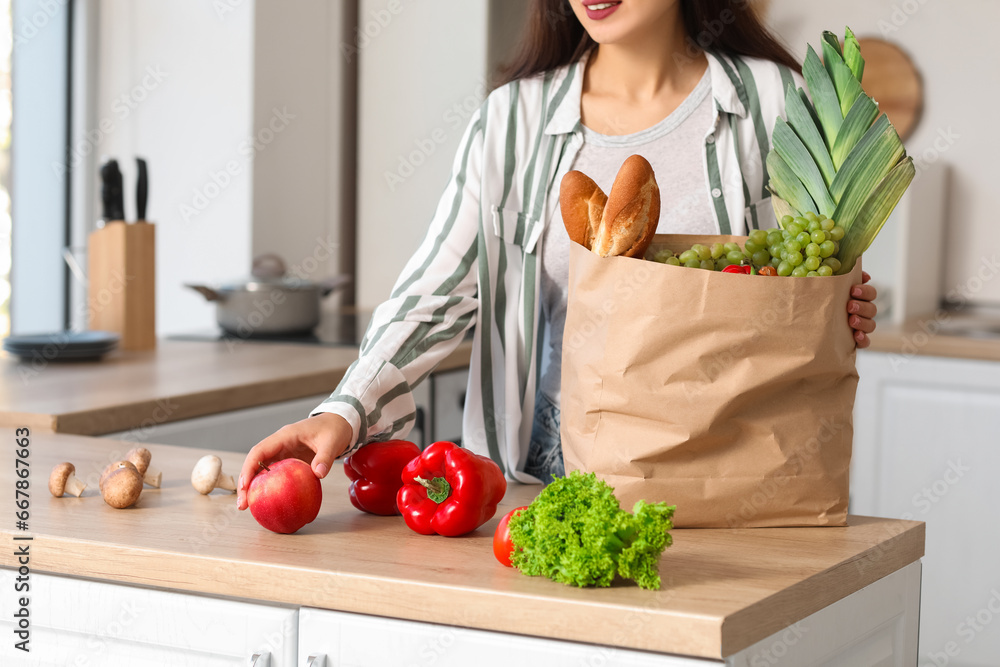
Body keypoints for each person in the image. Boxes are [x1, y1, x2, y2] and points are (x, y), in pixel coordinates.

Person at [236, 0, 878, 509]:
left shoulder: (773, 101)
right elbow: (435, 291)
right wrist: (344, 410)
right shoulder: (512, 120)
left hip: (735, 467)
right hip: (548, 475)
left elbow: (805, 271)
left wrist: (842, 303)